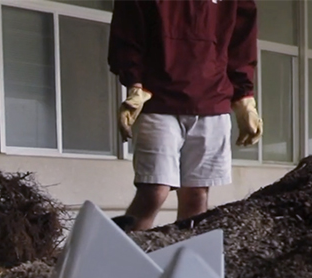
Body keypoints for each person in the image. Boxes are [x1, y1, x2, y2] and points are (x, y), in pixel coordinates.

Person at [108, 0, 263, 231]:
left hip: (212, 101)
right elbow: (128, 32)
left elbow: (241, 44)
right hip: (158, 99)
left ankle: (185, 262)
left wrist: (244, 98)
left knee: (196, 195)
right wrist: (134, 84)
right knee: (154, 191)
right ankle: (119, 261)